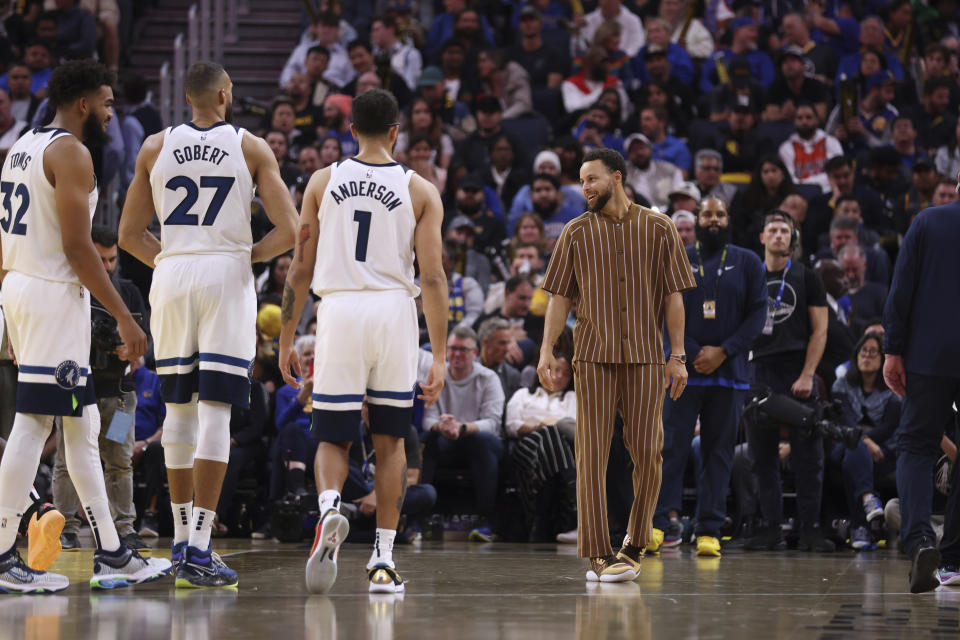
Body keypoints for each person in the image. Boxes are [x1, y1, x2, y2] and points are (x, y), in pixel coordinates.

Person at [118, 61, 298, 588]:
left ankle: (178, 540)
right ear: (225, 95)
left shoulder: (154, 146)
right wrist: (247, 256)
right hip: (225, 272)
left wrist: (174, 261)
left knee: (178, 411)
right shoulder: (250, 146)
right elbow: (290, 229)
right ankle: (200, 544)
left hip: (172, 275)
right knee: (216, 409)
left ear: (186, 96)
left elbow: (129, 234)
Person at [0, 59, 169, 593]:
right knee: (33, 425)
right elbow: (78, 247)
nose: (111, 112)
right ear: (83, 104)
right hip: (51, 295)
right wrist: (122, 315)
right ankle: (5, 555)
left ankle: (114, 554)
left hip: (25, 288)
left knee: (82, 425)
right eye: (107, 102)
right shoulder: (70, 151)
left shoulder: (21, 146)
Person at [277, 88, 448, 594]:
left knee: (332, 436)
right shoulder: (420, 190)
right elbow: (434, 277)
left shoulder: (322, 180)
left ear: (350, 130)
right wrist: (436, 355)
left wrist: (288, 337)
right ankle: (383, 562)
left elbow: (299, 268)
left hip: (340, 311)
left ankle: (330, 507)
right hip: (394, 314)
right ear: (397, 131)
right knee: (390, 442)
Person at [537, 148, 695, 582]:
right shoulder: (574, 232)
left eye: (592, 179)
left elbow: (674, 296)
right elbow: (559, 298)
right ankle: (597, 552)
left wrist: (677, 355)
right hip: (591, 357)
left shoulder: (660, 227)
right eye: (582, 181)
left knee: (648, 453)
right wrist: (547, 350)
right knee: (592, 454)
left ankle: (635, 542)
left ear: (617, 178)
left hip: (646, 358)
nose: (585, 187)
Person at [652, 197, 766, 557]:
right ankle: (657, 524)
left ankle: (709, 529)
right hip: (683, 368)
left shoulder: (748, 261)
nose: (713, 219)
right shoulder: (678, 255)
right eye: (706, 214)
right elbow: (661, 305)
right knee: (671, 449)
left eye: (719, 214)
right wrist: (687, 349)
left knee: (718, 453)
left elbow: (758, 314)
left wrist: (724, 350)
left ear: (728, 219)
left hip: (728, 372)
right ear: (697, 220)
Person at [883, 183, 960, 593]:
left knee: (915, 445)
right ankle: (956, 555)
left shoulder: (928, 221)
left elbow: (902, 291)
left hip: (928, 355)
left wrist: (893, 349)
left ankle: (919, 542)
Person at [52, 225, 148, 551]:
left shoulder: (130, 292)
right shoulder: (69, 290)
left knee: (120, 461)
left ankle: (125, 527)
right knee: (67, 461)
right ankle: (65, 527)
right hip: (78, 392)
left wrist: (128, 350)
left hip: (120, 396)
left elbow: (142, 341)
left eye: (111, 259)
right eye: (100, 259)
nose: (107, 266)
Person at [743, 211, 832, 553]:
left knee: (809, 456)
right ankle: (770, 527)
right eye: (773, 230)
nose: (779, 235)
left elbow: (820, 329)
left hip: (797, 369)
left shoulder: (807, 276)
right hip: (759, 372)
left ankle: (810, 529)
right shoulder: (752, 277)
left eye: (785, 230)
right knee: (761, 458)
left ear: (792, 238)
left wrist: (808, 374)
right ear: (762, 238)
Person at [421, 327, 505, 542]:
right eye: (452, 348)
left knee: (482, 441)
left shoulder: (488, 378)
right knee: (425, 439)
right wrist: (443, 427)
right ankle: (418, 519)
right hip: (445, 438)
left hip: (476, 439)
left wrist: (462, 427)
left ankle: (487, 521)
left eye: (463, 349)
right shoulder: (436, 376)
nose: (457, 354)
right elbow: (427, 419)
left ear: (474, 353)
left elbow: (493, 423)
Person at [829, 333, 900, 550]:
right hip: (844, 446)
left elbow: (888, 428)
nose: (867, 356)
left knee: (854, 455)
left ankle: (860, 527)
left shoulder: (892, 391)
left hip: (883, 452)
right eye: (863, 351)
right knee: (853, 446)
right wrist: (866, 441)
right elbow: (846, 422)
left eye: (873, 352)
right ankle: (868, 499)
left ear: (882, 359)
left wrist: (863, 441)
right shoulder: (841, 385)